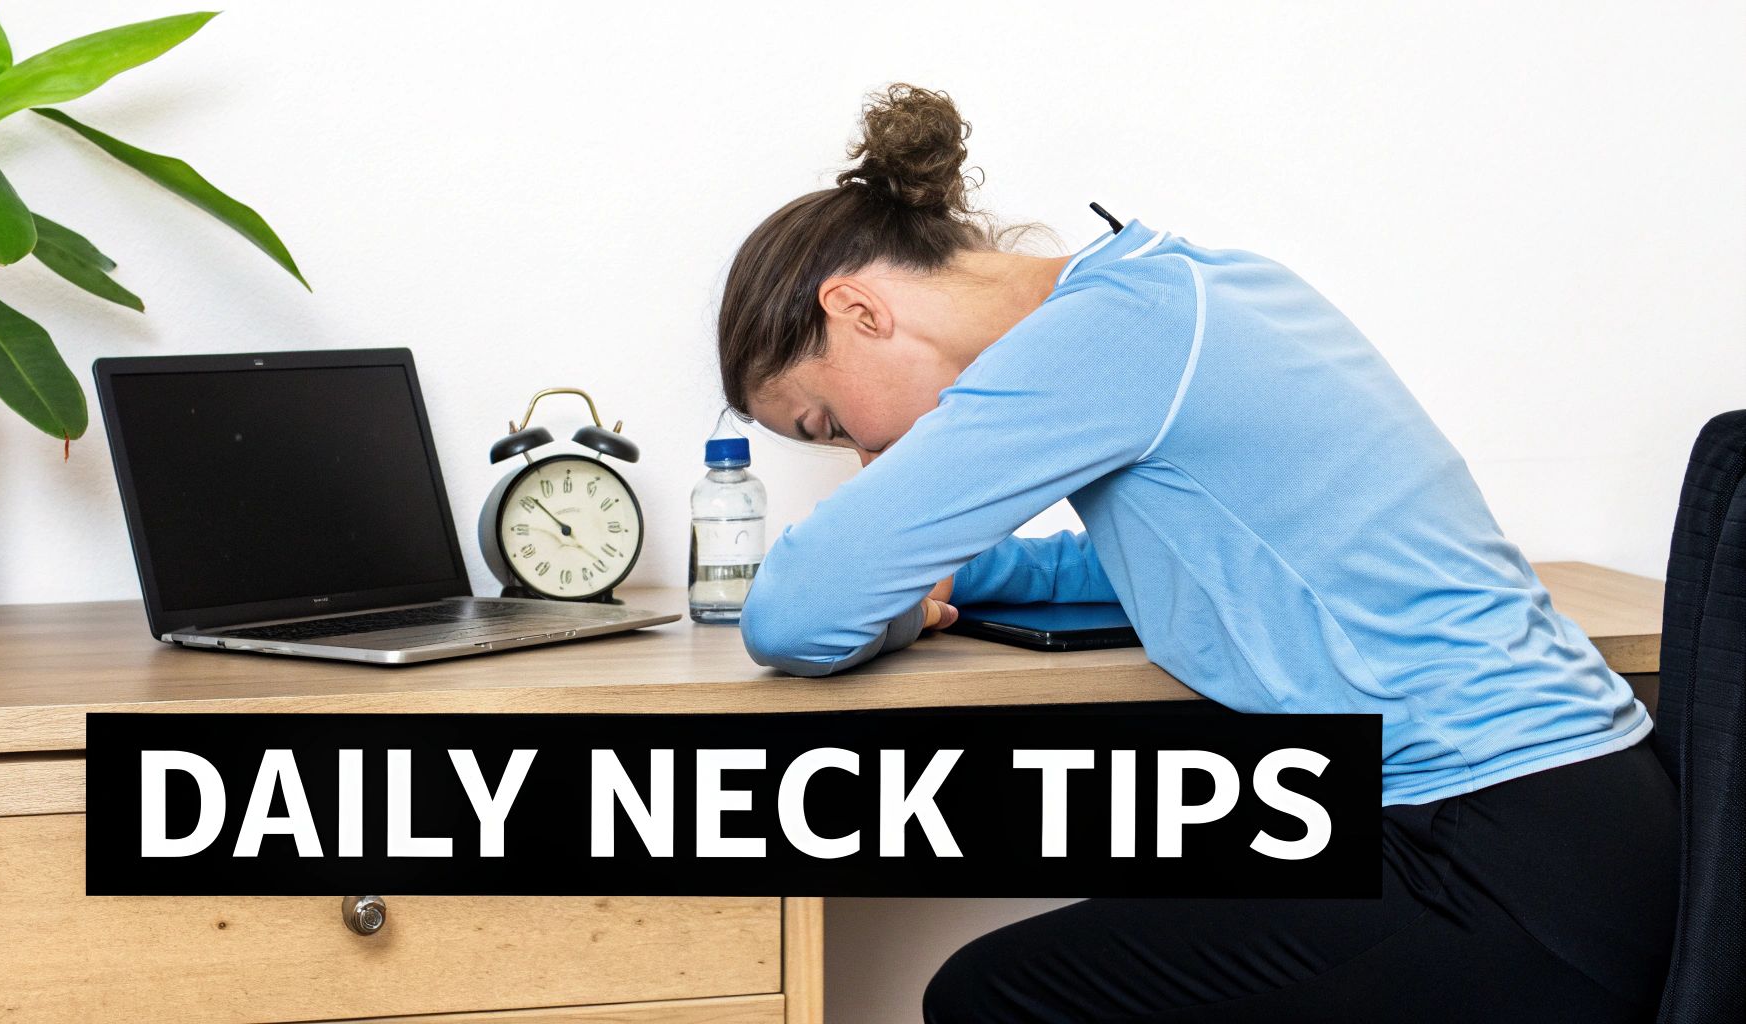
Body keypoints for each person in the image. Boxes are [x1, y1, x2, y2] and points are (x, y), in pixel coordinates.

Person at [715, 84, 1676, 1022]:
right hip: (1587, 816)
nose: (866, 456)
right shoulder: (1185, 286)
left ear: (859, 311)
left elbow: (796, 612)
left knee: (992, 996)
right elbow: (1209, 558)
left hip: (1499, 858)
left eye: (829, 420)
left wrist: (878, 601)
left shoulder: (1104, 333)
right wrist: (961, 576)